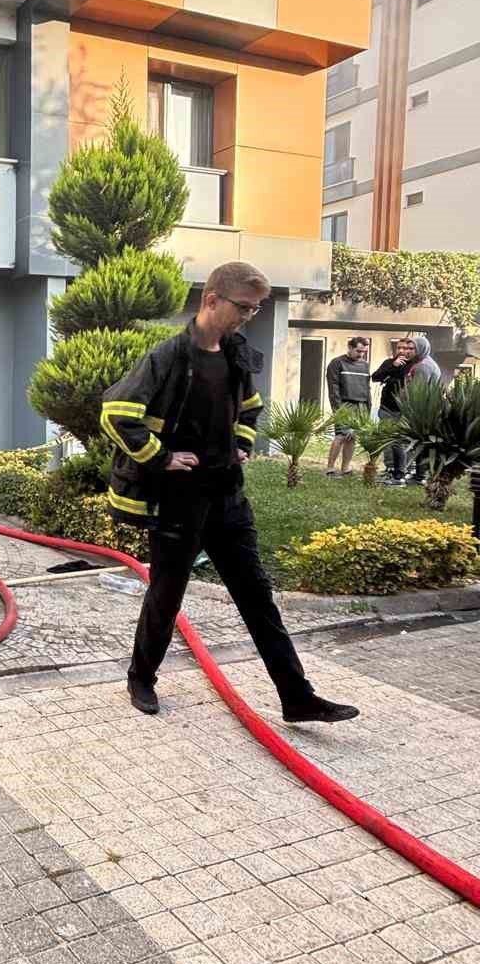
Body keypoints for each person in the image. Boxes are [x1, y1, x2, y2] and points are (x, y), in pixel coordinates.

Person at [101, 260, 359, 725]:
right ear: (212, 299)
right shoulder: (167, 358)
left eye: (256, 310)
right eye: (243, 307)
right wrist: (162, 458)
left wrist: (241, 445)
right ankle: (141, 677)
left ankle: (296, 696)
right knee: (167, 593)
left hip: (228, 497)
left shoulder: (237, 354)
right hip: (179, 499)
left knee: (257, 595)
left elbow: (251, 408)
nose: (248, 317)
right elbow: (116, 412)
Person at [324, 336, 371, 476]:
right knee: (341, 436)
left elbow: (367, 388)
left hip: (361, 405)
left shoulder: (364, 365)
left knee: (353, 437)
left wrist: (368, 408)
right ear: (350, 348)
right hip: (344, 404)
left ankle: (345, 468)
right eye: (358, 351)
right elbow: (333, 388)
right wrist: (337, 409)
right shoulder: (337, 363)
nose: (361, 354)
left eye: (364, 352)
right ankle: (330, 468)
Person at [401, 334, 442, 486]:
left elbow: (417, 392)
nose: (407, 352)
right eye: (407, 348)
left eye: (412, 349)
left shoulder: (423, 366)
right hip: (425, 409)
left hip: (422, 411)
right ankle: (418, 474)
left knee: (419, 442)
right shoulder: (424, 362)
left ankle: (419, 476)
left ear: (421, 349)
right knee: (420, 442)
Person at [372, 337, 414, 485]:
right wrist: (393, 367)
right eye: (399, 348)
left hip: (403, 410)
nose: (402, 351)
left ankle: (401, 473)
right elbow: (375, 377)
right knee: (387, 441)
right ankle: (390, 469)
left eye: (406, 348)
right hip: (386, 408)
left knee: (399, 442)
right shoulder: (389, 363)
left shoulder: (413, 366)